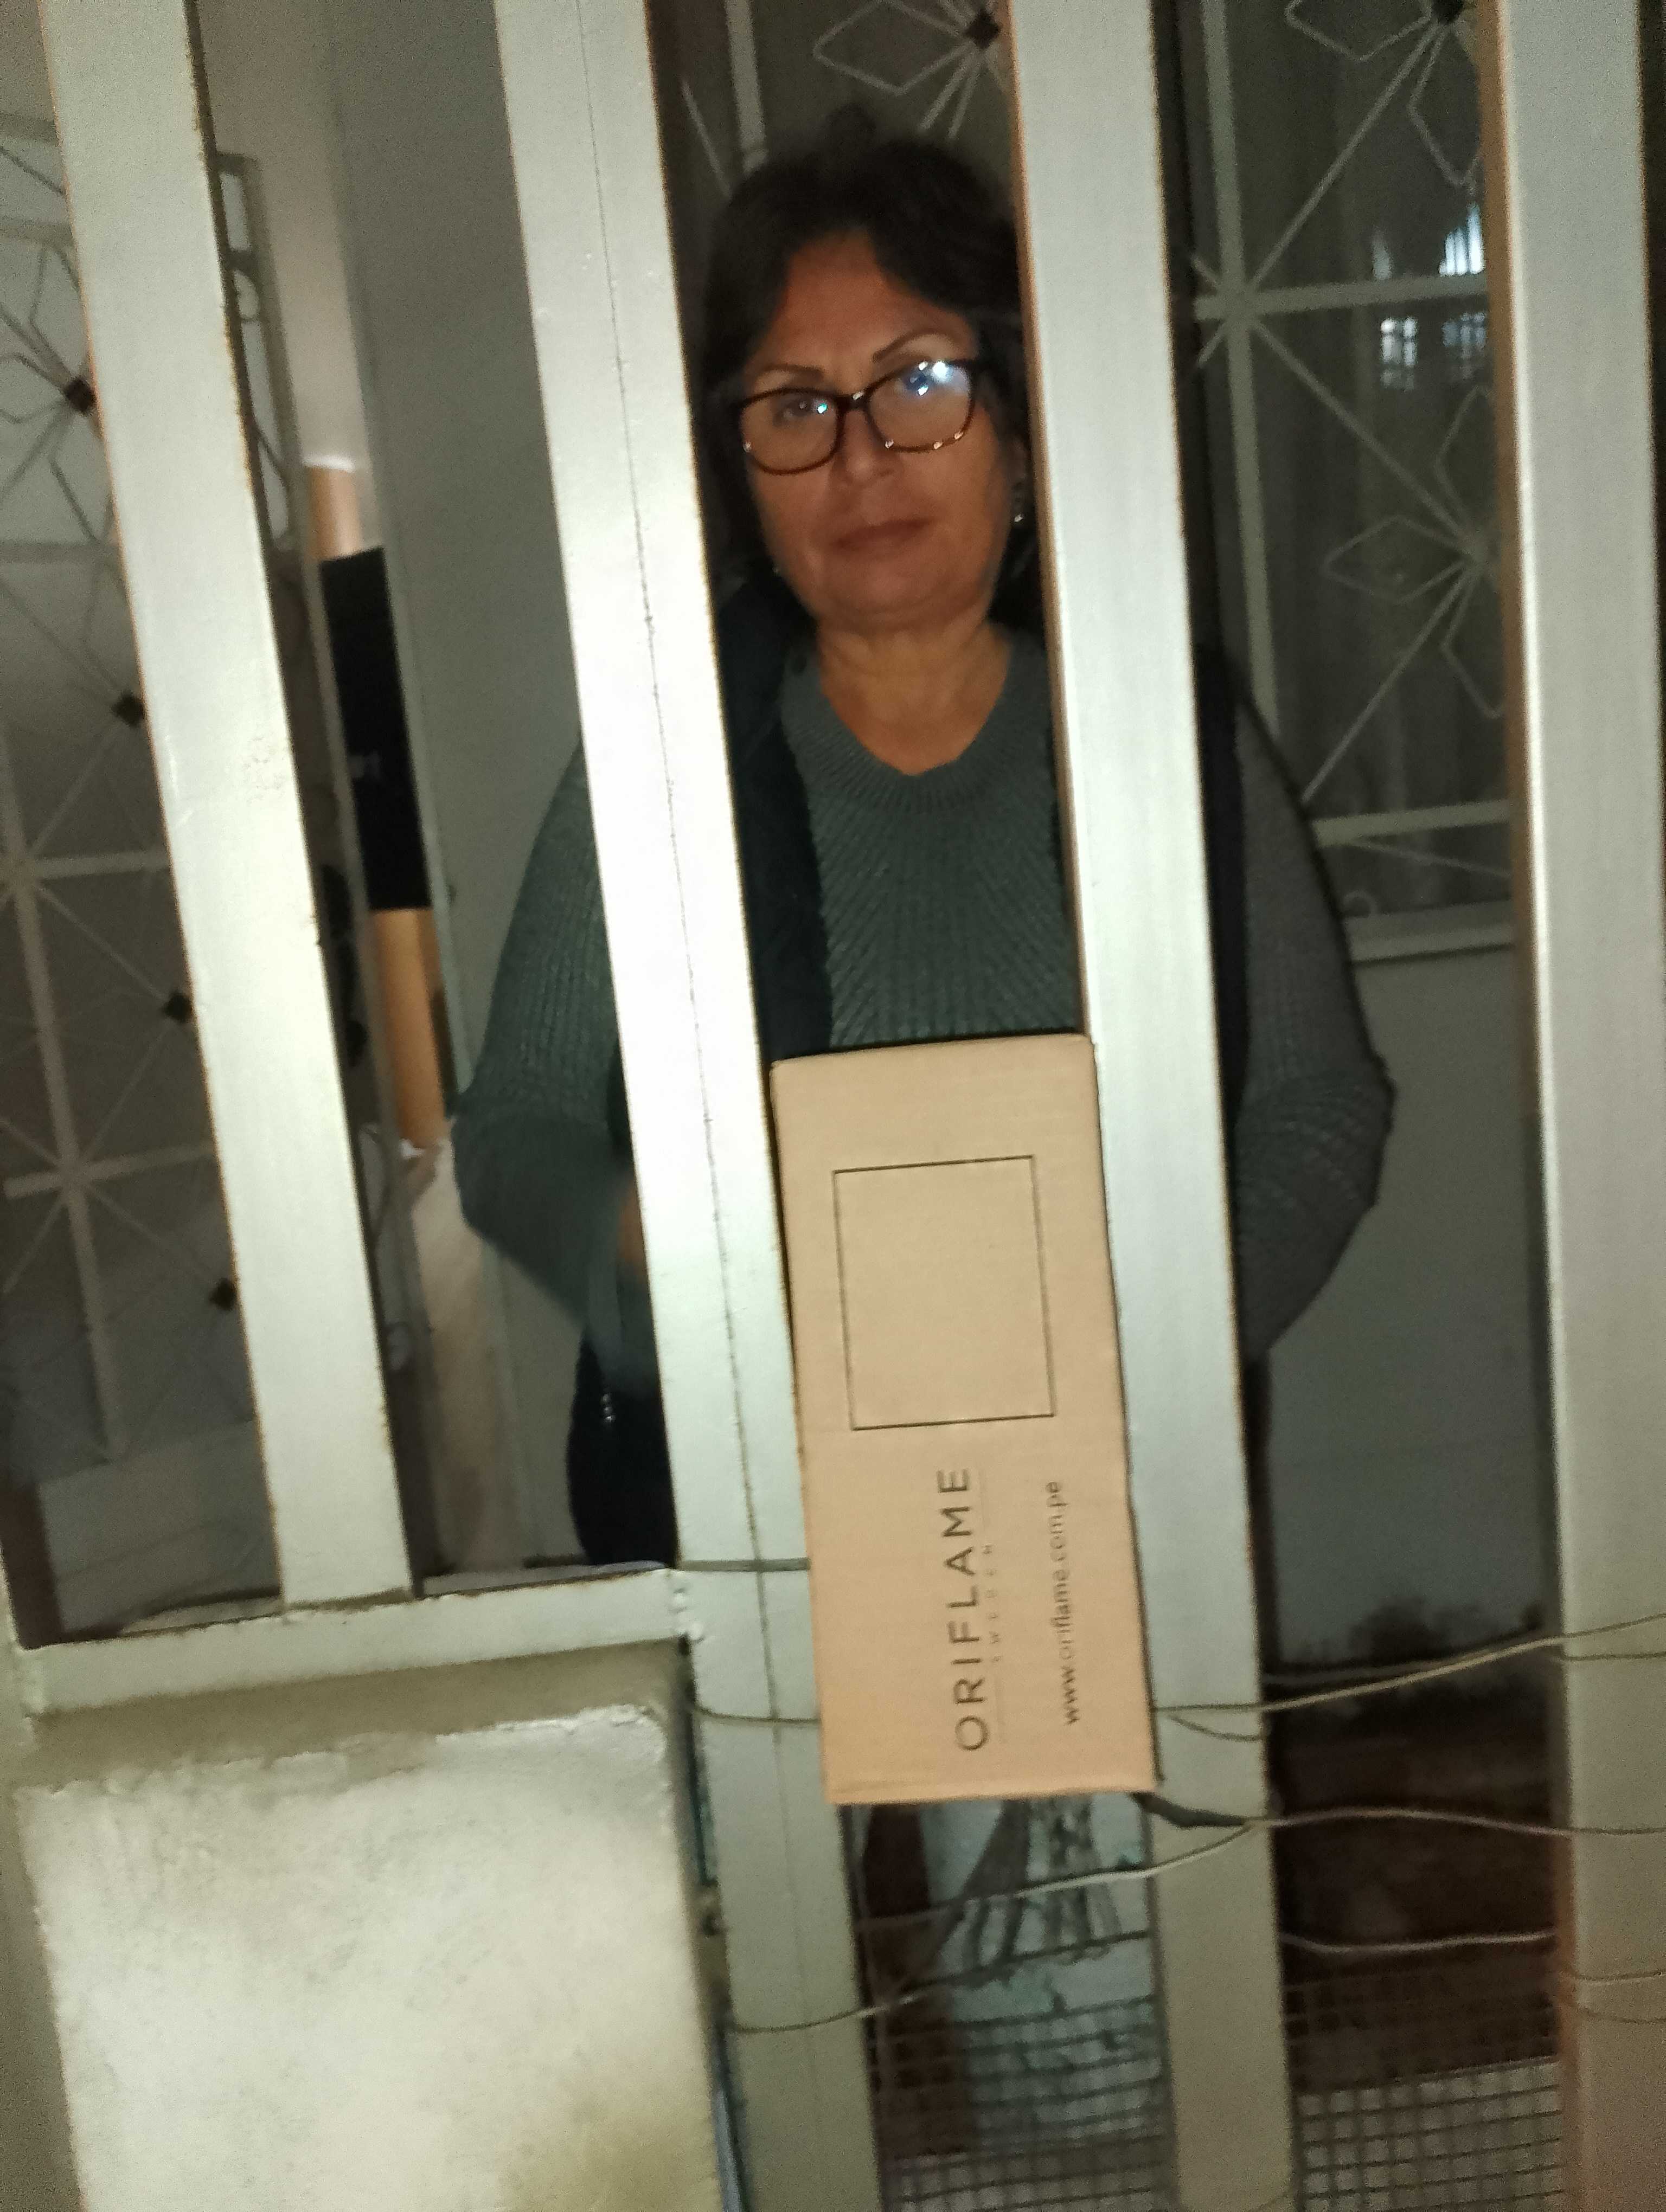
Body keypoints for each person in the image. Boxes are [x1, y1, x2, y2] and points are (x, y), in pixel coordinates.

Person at [453, 119, 1393, 1567]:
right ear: (739, 470)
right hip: (770, 1505)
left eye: (921, 383)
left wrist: (1134, 1360)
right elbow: (515, 1136)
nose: (861, 457)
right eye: (795, 406)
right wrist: (707, 1282)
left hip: (1109, 1505)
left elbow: (1317, 1105)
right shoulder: (666, 764)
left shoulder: (1161, 732)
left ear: (1018, 429)